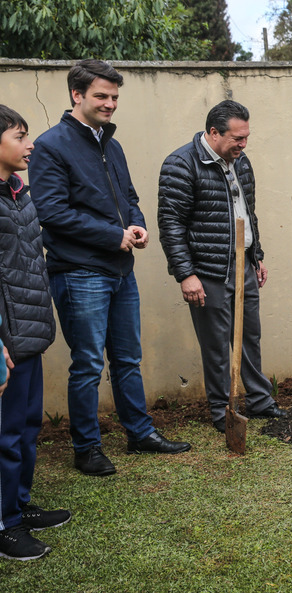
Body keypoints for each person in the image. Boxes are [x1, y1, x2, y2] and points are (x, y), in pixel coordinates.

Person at [29, 60, 190, 478]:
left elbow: (129, 197)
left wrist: (134, 224)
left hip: (120, 270)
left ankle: (140, 434)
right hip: (79, 271)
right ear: (76, 95)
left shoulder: (111, 145)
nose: (110, 103)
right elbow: (51, 212)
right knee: (86, 364)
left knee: (127, 359)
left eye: (115, 97)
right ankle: (87, 449)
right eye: (102, 95)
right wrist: (111, 235)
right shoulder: (50, 146)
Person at [158, 100, 284, 433]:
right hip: (208, 270)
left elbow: (248, 212)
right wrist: (186, 274)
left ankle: (259, 400)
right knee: (216, 343)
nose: (243, 145)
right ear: (213, 133)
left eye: (246, 137)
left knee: (250, 337)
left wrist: (256, 254)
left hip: (243, 263)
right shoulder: (181, 164)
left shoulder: (240, 162)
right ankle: (221, 408)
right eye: (236, 138)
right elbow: (171, 224)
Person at [0, 105, 70, 561]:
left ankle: (17, 506)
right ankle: (3, 524)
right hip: (5, 341)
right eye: (21, 136)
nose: (30, 145)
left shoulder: (18, 192)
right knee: (3, 436)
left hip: (29, 332)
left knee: (26, 428)